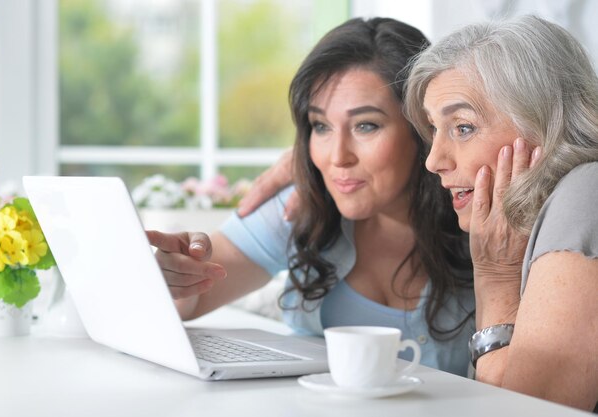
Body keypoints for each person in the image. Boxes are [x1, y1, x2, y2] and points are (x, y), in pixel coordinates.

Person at [147, 17, 477, 377]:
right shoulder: (300, 205)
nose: (337, 157)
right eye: (321, 126)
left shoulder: (479, 214)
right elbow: (191, 301)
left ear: (422, 127)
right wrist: (181, 272)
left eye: (366, 125)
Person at [402, 15, 598, 411]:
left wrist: (496, 283)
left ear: (542, 122)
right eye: (433, 130)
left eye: (462, 127)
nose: (434, 160)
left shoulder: (586, 191)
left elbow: (526, 411)